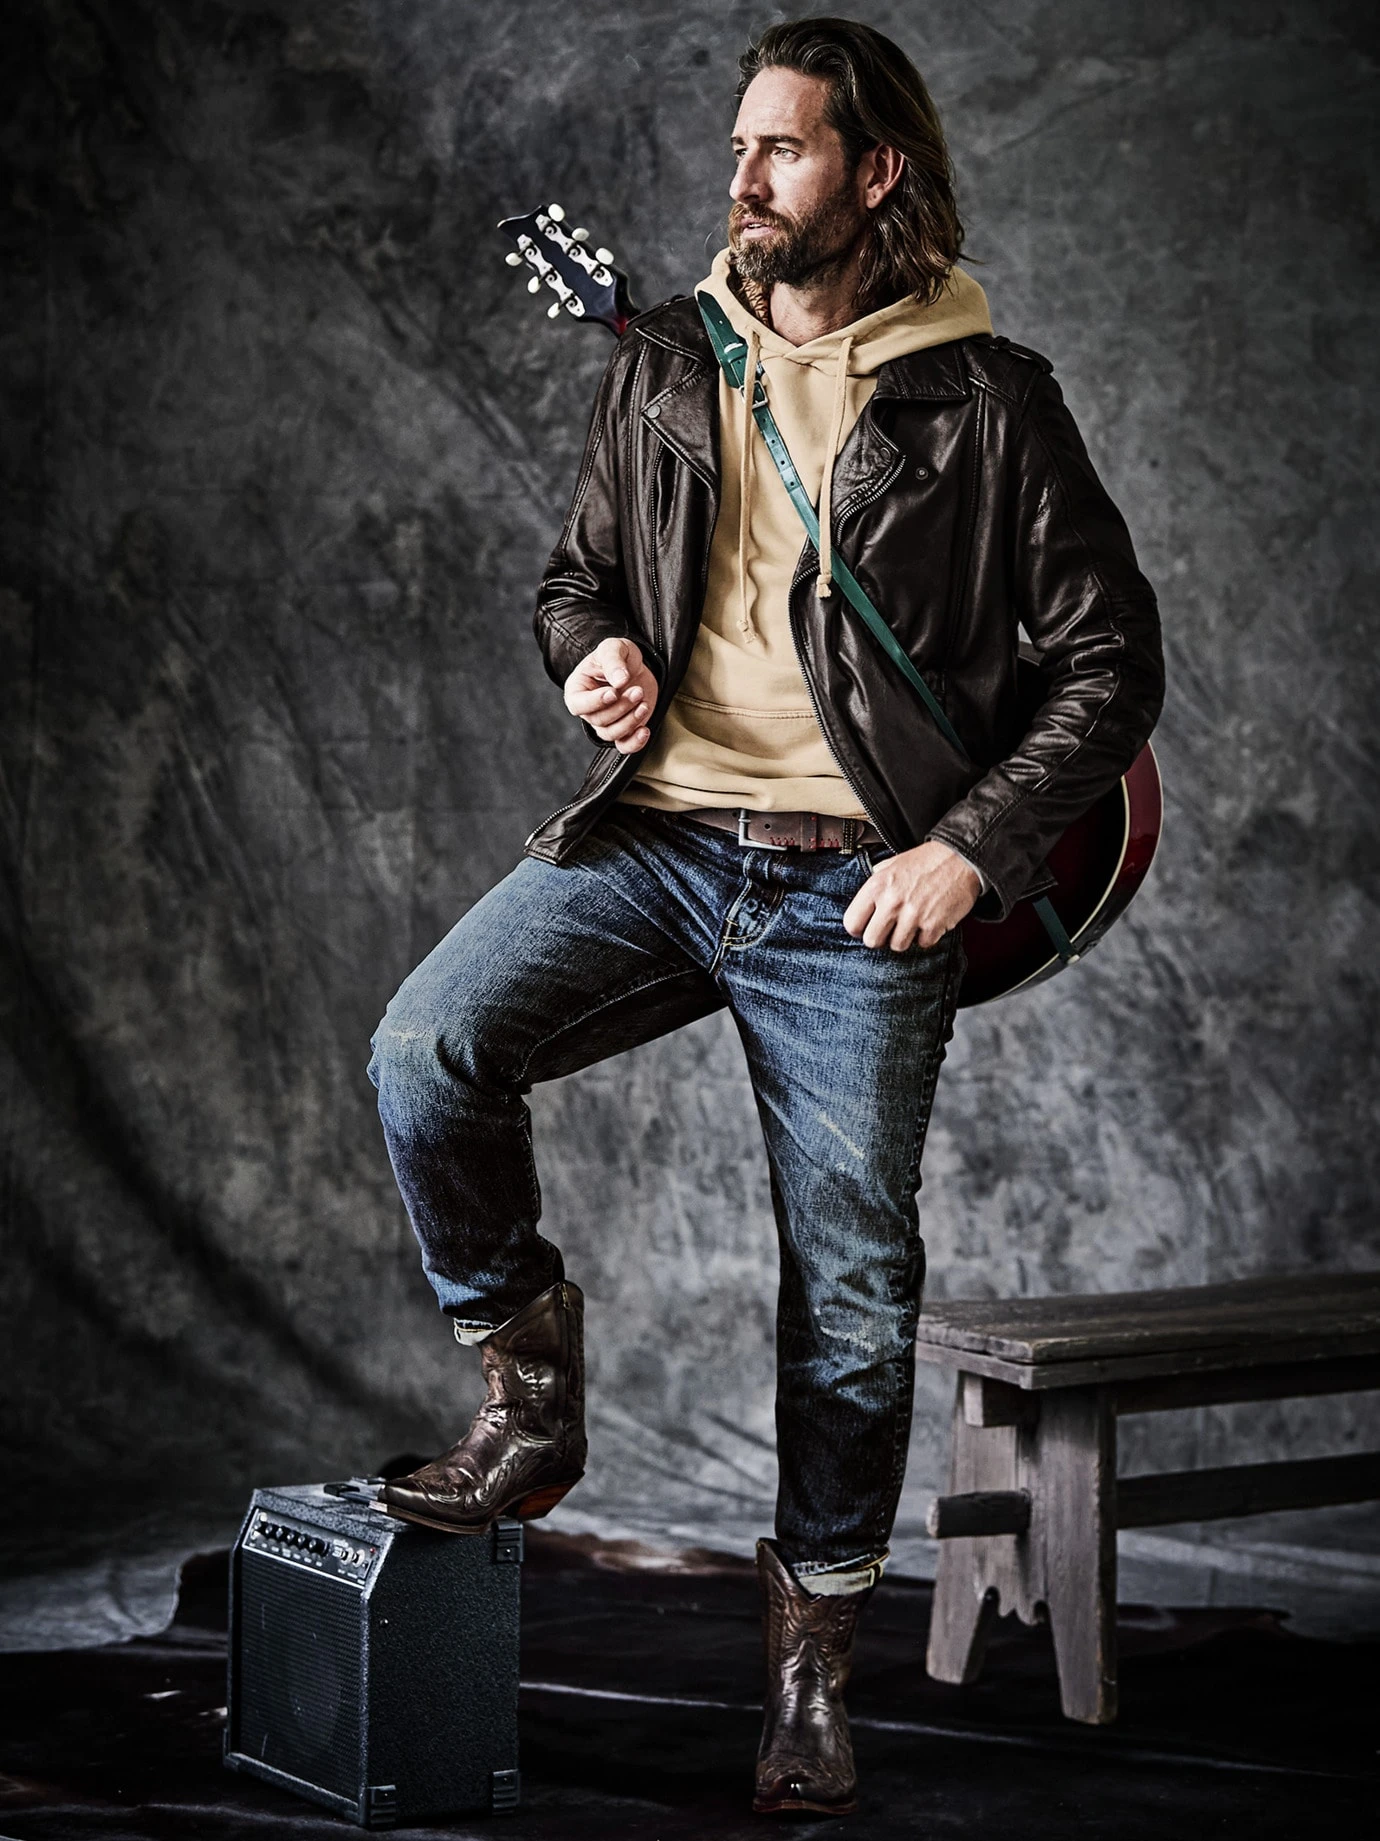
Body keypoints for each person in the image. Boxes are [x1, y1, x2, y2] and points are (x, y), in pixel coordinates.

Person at [368, 15, 1163, 1819]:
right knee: (426, 1050)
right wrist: (593, 656)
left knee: (855, 1290)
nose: (740, 179)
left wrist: (967, 851)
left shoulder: (987, 400)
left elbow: (1112, 663)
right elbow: (576, 577)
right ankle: (532, 1395)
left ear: (874, 173)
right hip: (659, 840)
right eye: (737, 146)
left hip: (855, 888)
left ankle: (811, 1663)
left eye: (781, 149)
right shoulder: (668, 361)